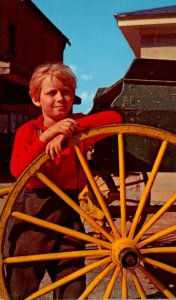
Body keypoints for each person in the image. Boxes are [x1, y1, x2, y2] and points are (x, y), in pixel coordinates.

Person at [4, 62, 123, 300]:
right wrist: (47, 136)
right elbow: (19, 170)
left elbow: (115, 118)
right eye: (51, 92)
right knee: (22, 278)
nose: (60, 98)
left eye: (66, 92)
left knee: (72, 275)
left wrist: (69, 130)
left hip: (69, 210)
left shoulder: (77, 126)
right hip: (33, 212)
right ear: (36, 99)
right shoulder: (28, 132)